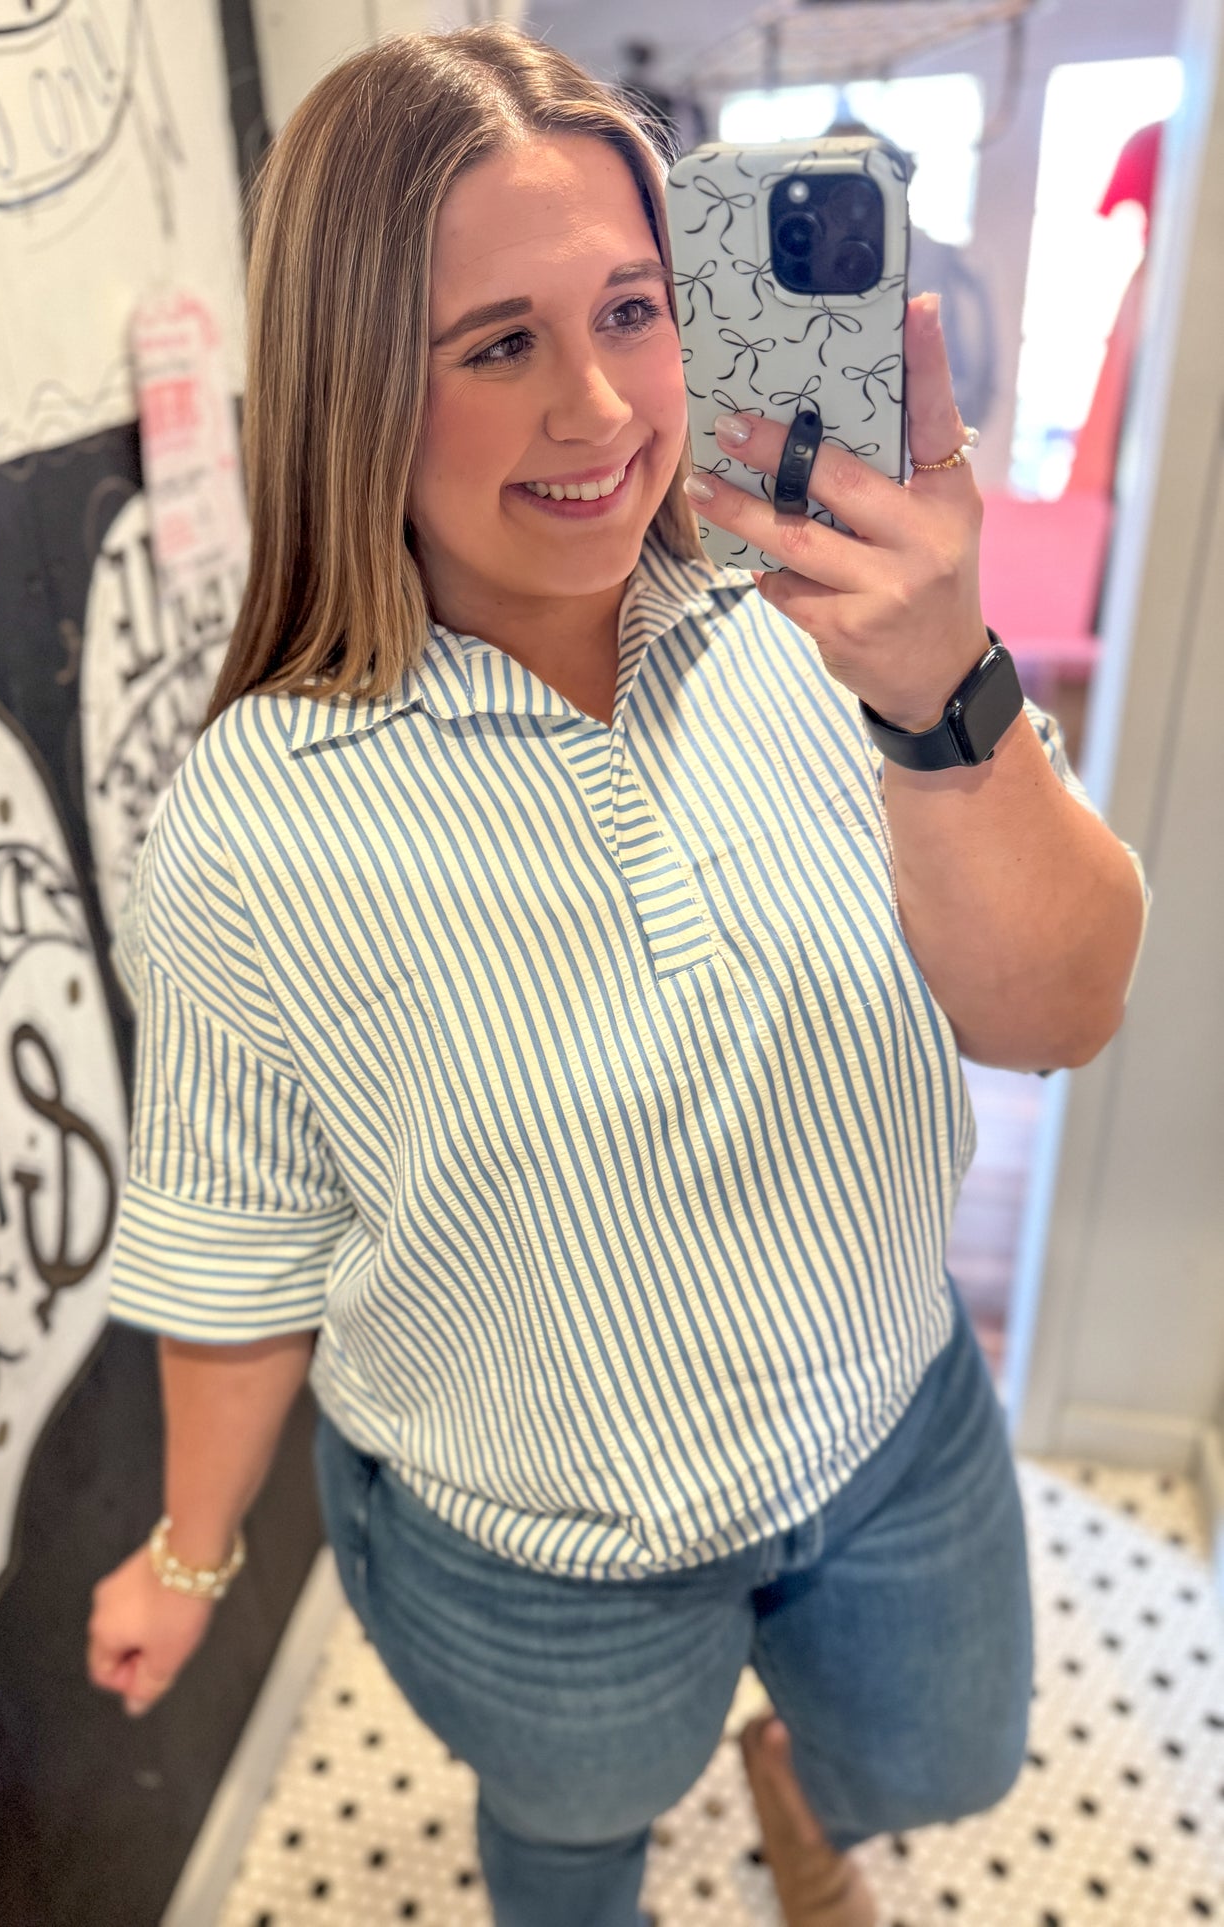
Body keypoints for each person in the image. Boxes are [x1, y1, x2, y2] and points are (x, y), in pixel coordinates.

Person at [85, 26, 1148, 1927]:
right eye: (496, 345)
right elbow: (237, 1245)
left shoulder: (820, 632)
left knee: (950, 1757)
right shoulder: (253, 822)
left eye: (634, 311)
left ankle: (791, 1788)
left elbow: (1060, 1014)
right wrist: (189, 1553)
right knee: (571, 1843)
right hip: (536, 1546)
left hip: (884, 1429)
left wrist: (943, 694)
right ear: (348, 391)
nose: (597, 409)